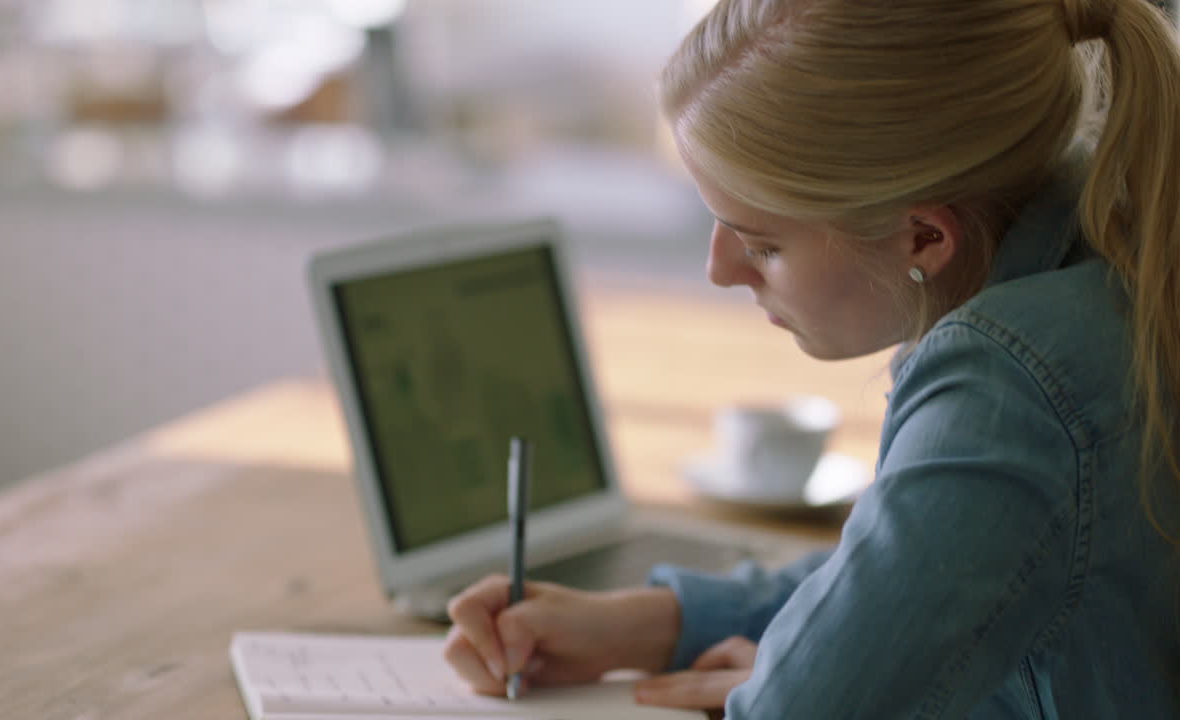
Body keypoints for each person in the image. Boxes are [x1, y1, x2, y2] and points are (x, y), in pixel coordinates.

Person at [441, 0, 1180, 716]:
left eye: (762, 242)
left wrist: (791, 679)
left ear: (925, 237)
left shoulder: (1012, 383)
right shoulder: (1113, 251)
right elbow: (928, 571)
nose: (720, 269)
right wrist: (657, 621)